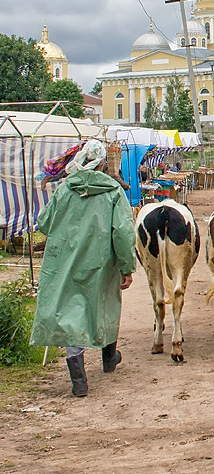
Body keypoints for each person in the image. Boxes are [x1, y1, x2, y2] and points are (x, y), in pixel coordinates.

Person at [29, 139, 136, 398]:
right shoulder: (113, 192)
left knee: (71, 312)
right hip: (101, 263)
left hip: (65, 261)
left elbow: (44, 222)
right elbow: (122, 233)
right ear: (102, 164)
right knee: (106, 305)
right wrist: (126, 266)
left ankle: (79, 380)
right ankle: (109, 359)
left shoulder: (66, 189)